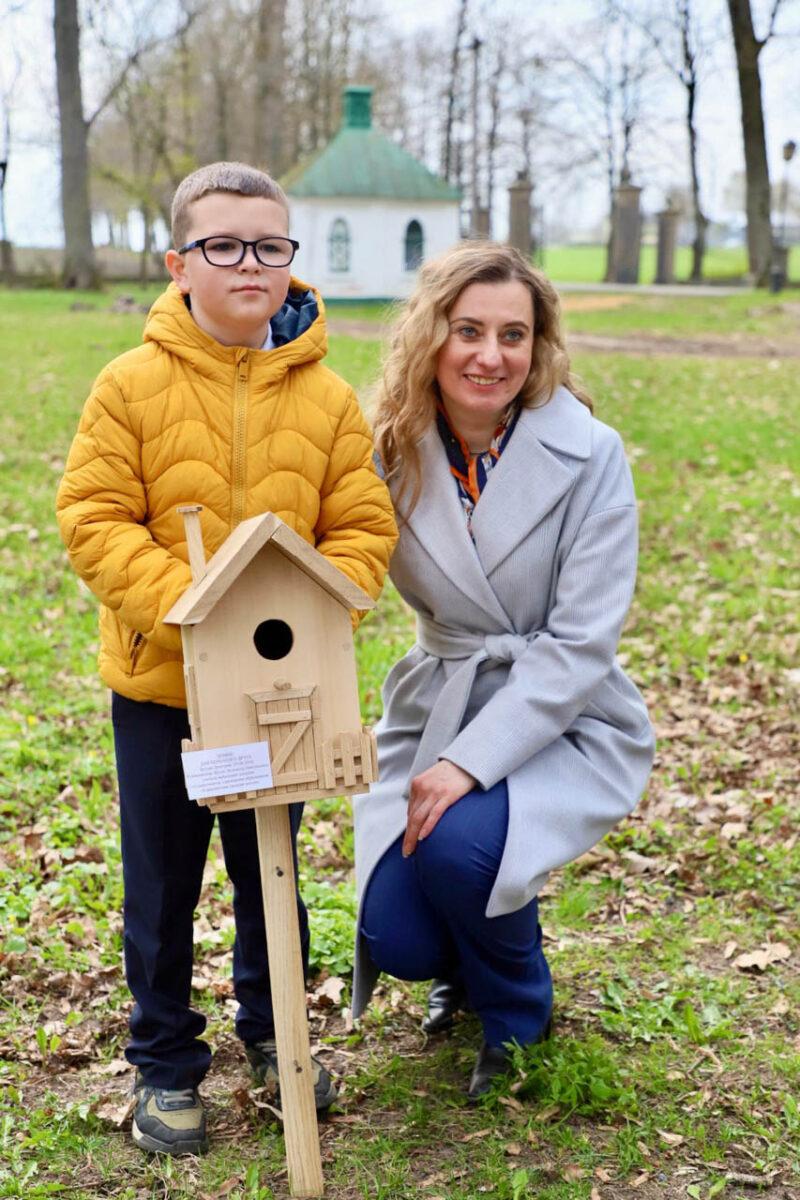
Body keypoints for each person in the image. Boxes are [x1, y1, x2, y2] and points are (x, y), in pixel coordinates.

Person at [56, 162, 397, 1155]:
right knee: (163, 886)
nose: (251, 263)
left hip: (279, 693)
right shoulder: (129, 386)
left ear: (290, 258)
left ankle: (277, 1036)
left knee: (271, 874)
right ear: (179, 263)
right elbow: (92, 514)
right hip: (163, 691)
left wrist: (318, 605)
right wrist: (191, 612)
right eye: (224, 245)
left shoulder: (329, 399)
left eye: (269, 245)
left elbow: (363, 525)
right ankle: (165, 1063)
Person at [352, 242, 654, 1100]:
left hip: (564, 709)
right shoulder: (387, 451)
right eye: (469, 331)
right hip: (442, 696)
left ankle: (517, 1007)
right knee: (397, 936)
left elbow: (581, 644)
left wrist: (468, 764)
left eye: (513, 335)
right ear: (430, 336)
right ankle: (462, 956)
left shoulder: (591, 453)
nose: (491, 356)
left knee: (457, 843)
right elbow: (333, 563)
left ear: (538, 344)